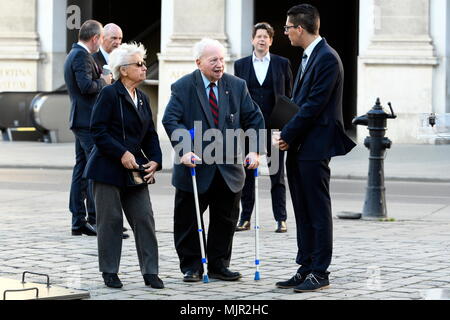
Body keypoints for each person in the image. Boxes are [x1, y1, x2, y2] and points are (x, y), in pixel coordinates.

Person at [162, 38, 265, 283]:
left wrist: (255, 151)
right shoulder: (183, 87)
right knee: (189, 221)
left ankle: (219, 265)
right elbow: (171, 120)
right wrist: (184, 150)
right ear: (199, 63)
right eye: (214, 60)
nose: (220, 65)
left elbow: (254, 118)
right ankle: (192, 266)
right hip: (195, 166)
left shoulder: (237, 85)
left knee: (226, 220)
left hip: (228, 168)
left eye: (222, 59)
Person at [273, 4, 356, 292]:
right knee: (302, 210)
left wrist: (287, 133)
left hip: (314, 146)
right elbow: (299, 103)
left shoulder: (327, 58)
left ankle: (319, 271)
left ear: (299, 28)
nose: (285, 33)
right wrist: (285, 131)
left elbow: (313, 106)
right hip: (299, 146)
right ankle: (305, 266)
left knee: (317, 211)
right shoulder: (309, 56)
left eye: (286, 28)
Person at [84, 42, 164, 289]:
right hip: (107, 169)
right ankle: (109, 271)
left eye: (143, 63)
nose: (144, 68)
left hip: (134, 171)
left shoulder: (141, 97)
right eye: (139, 64)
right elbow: (97, 130)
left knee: (145, 219)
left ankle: (150, 272)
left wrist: (155, 160)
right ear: (124, 70)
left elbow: (150, 134)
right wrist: (121, 153)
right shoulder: (109, 93)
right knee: (110, 222)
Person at [234, 22, 293, 233]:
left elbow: (288, 96)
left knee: (277, 173)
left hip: (275, 127)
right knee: (248, 173)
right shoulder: (240, 65)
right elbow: (237, 97)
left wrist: (288, 125)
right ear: (252, 40)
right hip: (250, 129)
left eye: (266, 36)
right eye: (258, 36)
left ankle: (281, 219)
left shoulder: (281, 63)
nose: (262, 39)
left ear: (271, 40)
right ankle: (245, 218)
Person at [64, 20, 112, 236]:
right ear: (95, 39)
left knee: (82, 172)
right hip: (86, 122)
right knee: (94, 170)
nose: (100, 43)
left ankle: (78, 221)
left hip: (82, 121)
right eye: (101, 39)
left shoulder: (76, 54)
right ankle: (95, 220)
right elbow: (86, 86)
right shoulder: (81, 55)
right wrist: (104, 81)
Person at [92, 22, 129, 240]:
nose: (117, 42)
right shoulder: (93, 58)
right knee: (95, 174)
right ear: (101, 38)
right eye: (113, 38)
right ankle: (95, 219)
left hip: (116, 125)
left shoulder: (122, 59)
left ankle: (108, 221)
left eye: (120, 38)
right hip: (97, 122)